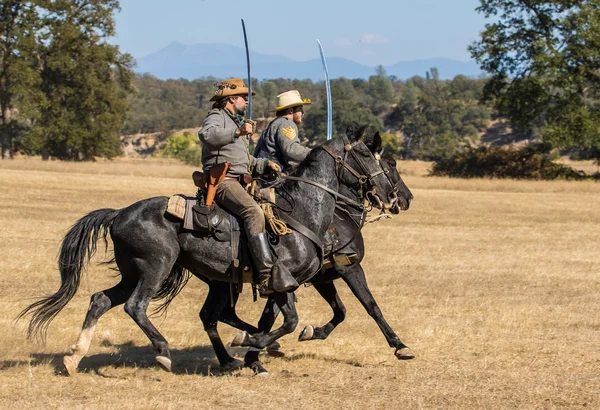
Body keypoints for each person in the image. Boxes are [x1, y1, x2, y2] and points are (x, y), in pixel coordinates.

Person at [198, 78, 298, 295]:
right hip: (223, 182)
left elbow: (244, 161)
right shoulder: (217, 117)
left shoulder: (234, 121)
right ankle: (265, 275)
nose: (246, 101)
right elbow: (206, 136)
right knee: (253, 213)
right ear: (232, 99)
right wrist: (238, 132)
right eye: (244, 97)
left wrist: (263, 164)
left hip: (240, 181)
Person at [254, 90, 312, 170]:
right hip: (273, 175)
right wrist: (314, 153)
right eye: (300, 109)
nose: (303, 113)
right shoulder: (286, 123)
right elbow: (292, 150)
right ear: (291, 110)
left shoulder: (276, 123)